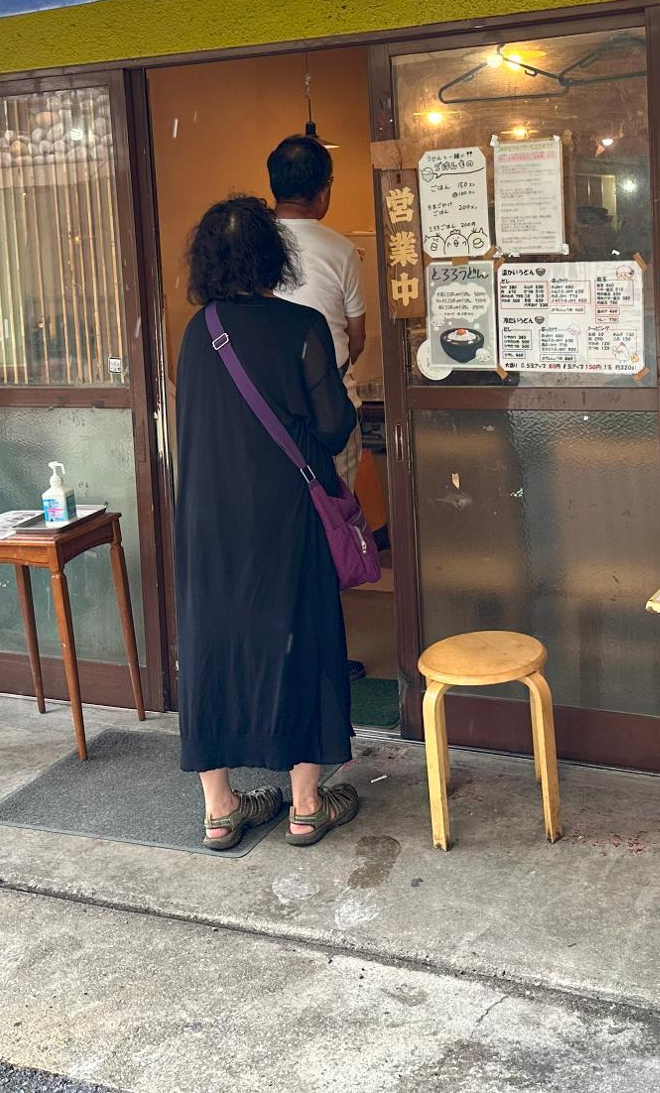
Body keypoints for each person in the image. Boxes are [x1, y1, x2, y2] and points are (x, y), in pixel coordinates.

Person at [173, 195, 361, 849]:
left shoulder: (199, 333)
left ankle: (221, 807)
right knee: (301, 636)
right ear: (271, 254)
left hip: (208, 520)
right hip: (285, 515)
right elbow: (335, 425)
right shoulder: (300, 327)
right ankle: (307, 805)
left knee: (212, 641)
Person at [266, 135, 367, 494]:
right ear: (324, 192)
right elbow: (356, 339)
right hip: (332, 412)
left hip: (268, 415)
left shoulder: (253, 248)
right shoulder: (342, 251)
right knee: (336, 517)